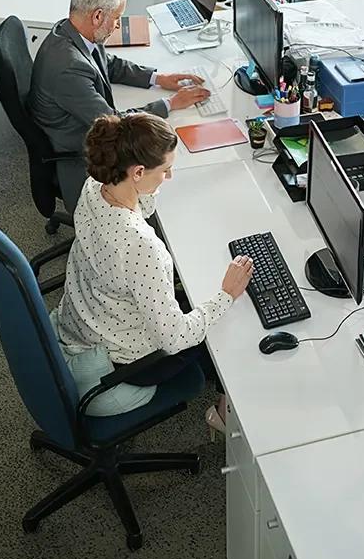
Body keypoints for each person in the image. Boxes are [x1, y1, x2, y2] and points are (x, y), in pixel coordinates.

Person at [57, 112, 253, 436]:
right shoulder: (140, 247)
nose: (170, 175)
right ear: (137, 172)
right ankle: (224, 413)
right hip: (124, 363)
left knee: (190, 293)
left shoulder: (95, 187)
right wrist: (226, 295)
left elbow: (142, 206)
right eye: (165, 170)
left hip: (89, 317)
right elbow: (174, 339)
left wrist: (150, 177)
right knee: (227, 324)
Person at [29, 0, 210, 213]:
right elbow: (115, 123)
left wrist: (157, 78)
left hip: (80, 122)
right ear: (97, 16)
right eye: (117, 18)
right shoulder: (67, 68)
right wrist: (169, 104)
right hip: (77, 147)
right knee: (165, 161)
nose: (118, 24)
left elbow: (109, 64)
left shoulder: (74, 29)